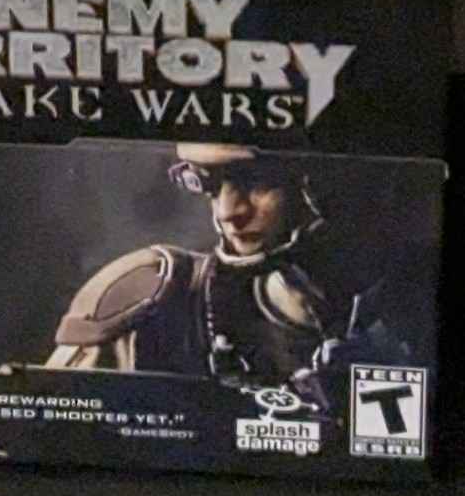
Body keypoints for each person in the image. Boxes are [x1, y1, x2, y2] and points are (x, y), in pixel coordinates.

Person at [50, 143, 397, 404]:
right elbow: (53, 422)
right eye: (212, 186)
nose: (229, 211)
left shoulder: (402, 302)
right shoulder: (152, 297)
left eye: (256, 183)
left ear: (321, 189)